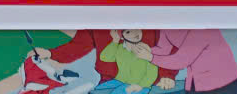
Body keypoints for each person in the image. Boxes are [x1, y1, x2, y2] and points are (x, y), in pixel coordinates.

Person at [36, 30, 178, 90]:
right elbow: (80, 45)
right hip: (108, 79)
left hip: (148, 82)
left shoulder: (151, 28)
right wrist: (51, 53)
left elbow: (170, 48)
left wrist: (167, 75)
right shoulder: (100, 21)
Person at [149, 30, 237, 94]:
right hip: (195, 81)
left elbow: (181, 60)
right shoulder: (167, 27)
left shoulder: (202, 30)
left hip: (222, 83)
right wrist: (146, 50)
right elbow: (164, 49)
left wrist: (151, 57)